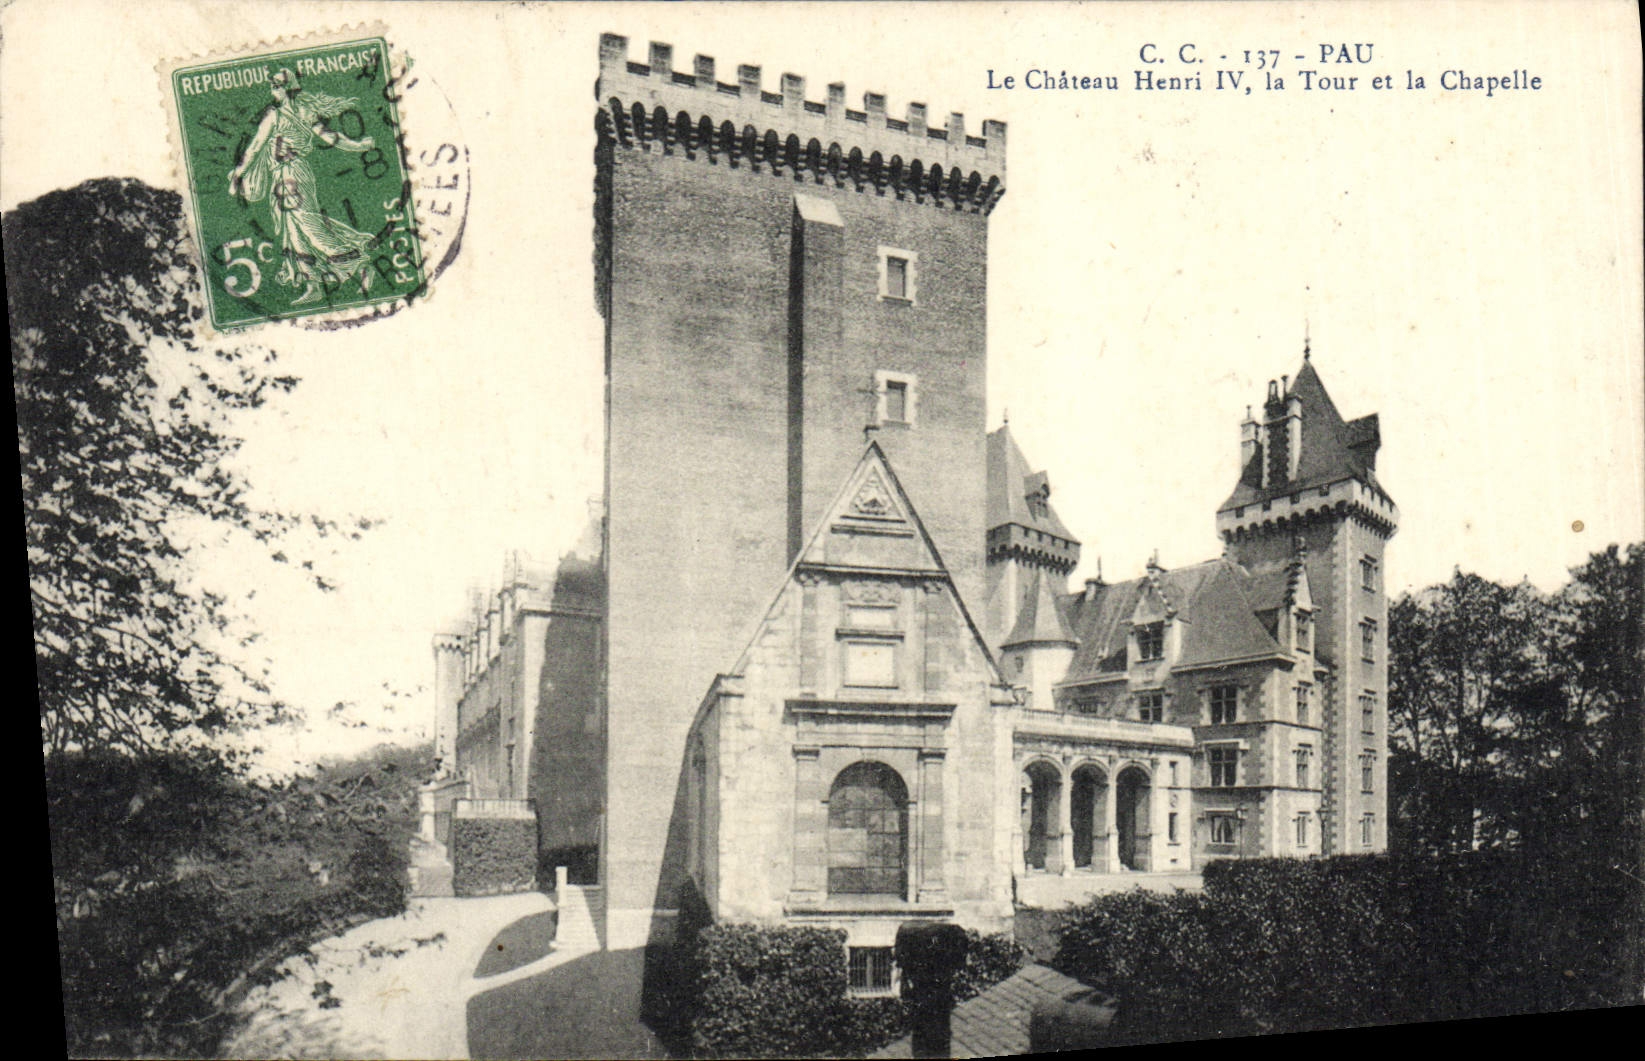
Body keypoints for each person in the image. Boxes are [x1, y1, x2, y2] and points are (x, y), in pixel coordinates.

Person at [227, 68, 378, 305]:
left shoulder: (275, 116)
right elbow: (331, 138)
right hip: (289, 175)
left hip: (290, 175)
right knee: (293, 230)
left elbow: (255, 147)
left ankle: (358, 265)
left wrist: (239, 172)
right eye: (272, 84)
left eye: (276, 84)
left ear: (288, 88)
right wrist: (358, 145)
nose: (273, 89)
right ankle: (313, 283)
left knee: (308, 224)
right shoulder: (302, 112)